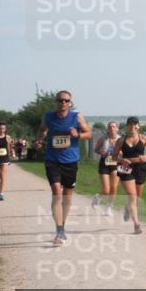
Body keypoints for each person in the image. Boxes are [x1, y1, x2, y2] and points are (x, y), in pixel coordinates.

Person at [35, 90, 92, 246]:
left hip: (70, 161)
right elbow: (42, 130)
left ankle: (63, 225)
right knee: (56, 192)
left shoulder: (76, 117)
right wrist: (39, 140)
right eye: (60, 100)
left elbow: (89, 134)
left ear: (70, 103)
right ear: (56, 102)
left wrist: (77, 135)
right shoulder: (48, 117)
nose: (63, 103)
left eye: (66, 100)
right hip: (52, 160)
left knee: (67, 194)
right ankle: (59, 230)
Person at [112, 117, 146, 234]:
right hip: (125, 168)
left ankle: (128, 208)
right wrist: (121, 160)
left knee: (137, 198)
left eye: (135, 124)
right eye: (130, 124)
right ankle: (137, 225)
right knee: (132, 196)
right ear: (127, 126)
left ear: (138, 126)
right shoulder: (121, 140)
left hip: (140, 168)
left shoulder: (143, 139)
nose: (132, 127)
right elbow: (113, 157)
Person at [93, 121, 122, 215]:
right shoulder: (103, 138)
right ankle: (97, 197)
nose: (112, 128)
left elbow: (124, 152)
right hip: (104, 163)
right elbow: (96, 149)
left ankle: (108, 208)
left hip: (116, 163)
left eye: (114, 127)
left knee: (114, 188)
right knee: (106, 190)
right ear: (108, 129)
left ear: (117, 129)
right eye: (110, 127)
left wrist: (118, 152)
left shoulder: (121, 139)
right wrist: (102, 153)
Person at [0, 122, 14, 200]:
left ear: (5, 129)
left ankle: (1, 194)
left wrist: (10, 156)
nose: (1, 130)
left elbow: (9, 147)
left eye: (3, 128)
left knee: (3, 176)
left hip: (5, 158)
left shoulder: (7, 137)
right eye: (0, 128)